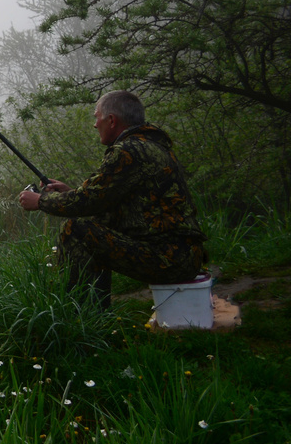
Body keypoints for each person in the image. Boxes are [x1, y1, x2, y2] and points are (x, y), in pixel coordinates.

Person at [18, 90, 207, 307]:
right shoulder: (150, 145)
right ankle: (94, 317)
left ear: (111, 120)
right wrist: (69, 192)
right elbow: (106, 202)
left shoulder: (128, 151)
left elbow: (90, 199)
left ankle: (85, 322)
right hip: (181, 254)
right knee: (90, 224)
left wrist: (40, 201)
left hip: (169, 258)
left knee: (75, 230)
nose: (95, 124)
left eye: (96, 117)